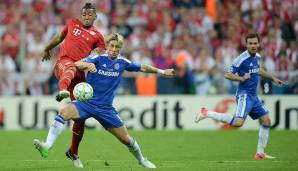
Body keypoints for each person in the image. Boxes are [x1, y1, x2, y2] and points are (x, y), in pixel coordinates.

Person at [33, 32, 175, 169]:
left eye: (117, 47)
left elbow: (143, 67)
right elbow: (76, 64)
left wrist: (162, 72)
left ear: (120, 49)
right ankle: (48, 145)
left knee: (126, 139)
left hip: (106, 108)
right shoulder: (97, 58)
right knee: (63, 112)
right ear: (107, 46)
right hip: (86, 103)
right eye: (111, 46)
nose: (114, 50)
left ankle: (142, 160)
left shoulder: (123, 62)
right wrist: (86, 65)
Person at [195, 32, 284, 159]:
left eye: (255, 43)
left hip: (254, 96)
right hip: (244, 95)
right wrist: (241, 78)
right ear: (246, 44)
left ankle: (260, 153)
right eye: (250, 43)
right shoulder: (241, 59)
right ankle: (207, 113)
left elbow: (258, 70)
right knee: (238, 122)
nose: (253, 45)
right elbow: (227, 74)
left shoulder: (257, 56)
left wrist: (273, 78)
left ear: (258, 44)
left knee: (266, 120)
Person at [42, 3, 105, 168]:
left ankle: (73, 151)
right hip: (63, 64)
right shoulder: (72, 23)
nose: (86, 17)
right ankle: (62, 91)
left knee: (81, 114)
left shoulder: (98, 36)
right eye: (84, 14)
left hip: (78, 74)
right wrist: (46, 49)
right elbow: (58, 38)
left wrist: (94, 60)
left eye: (89, 14)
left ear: (95, 17)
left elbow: (100, 56)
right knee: (70, 66)